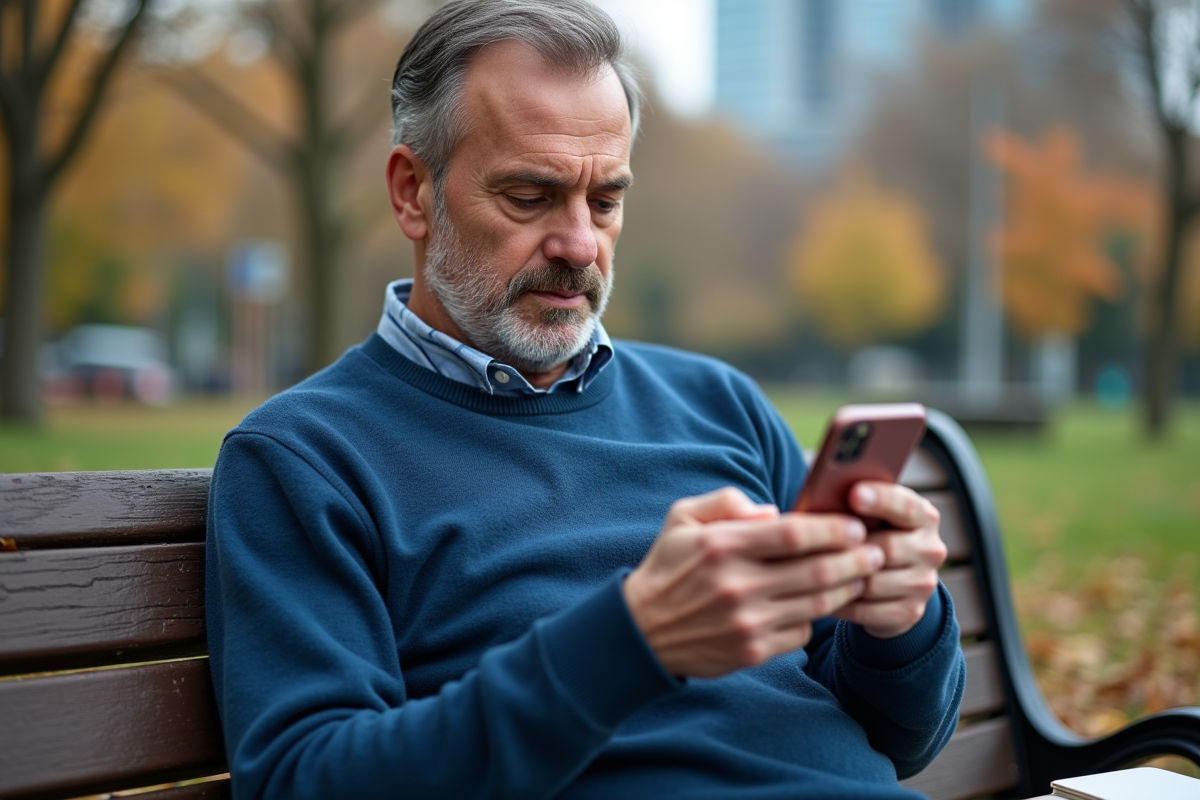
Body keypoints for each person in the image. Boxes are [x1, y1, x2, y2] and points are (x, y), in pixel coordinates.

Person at [205, 1, 966, 798]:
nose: (579, 245)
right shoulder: (304, 460)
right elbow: (303, 781)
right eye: (530, 197)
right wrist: (631, 642)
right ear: (412, 194)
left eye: (604, 201)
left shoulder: (720, 403)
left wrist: (900, 623)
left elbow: (899, 741)